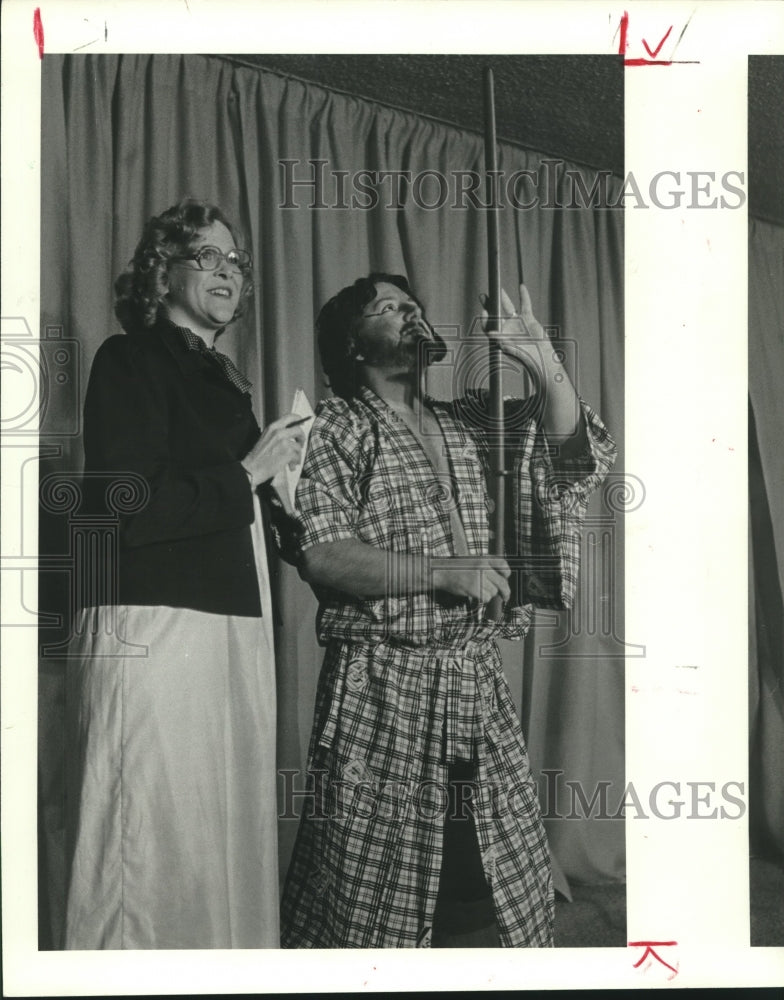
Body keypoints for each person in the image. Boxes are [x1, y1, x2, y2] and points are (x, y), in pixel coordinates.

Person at [279, 273, 617, 948]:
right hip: (380, 694)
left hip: (473, 687)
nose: (411, 314)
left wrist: (541, 357)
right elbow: (322, 552)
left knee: (488, 886)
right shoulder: (334, 429)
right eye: (388, 308)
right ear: (351, 345)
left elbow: (574, 454)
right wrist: (440, 572)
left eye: (415, 305)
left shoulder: (470, 420)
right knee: (371, 905)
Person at [63, 200, 305, 949]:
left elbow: (232, 502)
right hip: (157, 628)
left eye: (234, 261)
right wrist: (247, 474)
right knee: (148, 847)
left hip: (230, 624)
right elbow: (127, 505)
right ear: (159, 271)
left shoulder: (224, 382)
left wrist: (286, 492)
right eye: (206, 256)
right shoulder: (128, 358)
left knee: (214, 842)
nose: (227, 271)